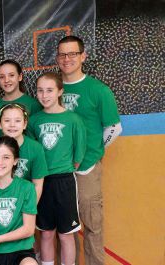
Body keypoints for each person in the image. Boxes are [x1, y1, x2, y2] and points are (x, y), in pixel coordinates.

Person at [56, 35, 122, 265]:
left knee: (92, 226)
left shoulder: (98, 90)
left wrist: (94, 153)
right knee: (65, 228)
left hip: (86, 169)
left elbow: (114, 127)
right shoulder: (52, 88)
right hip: (60, 171)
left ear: (83, 56)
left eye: (72, 53)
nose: (67, 59)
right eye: (62, 54)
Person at [27, 72, 86, 265]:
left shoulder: (73, 119)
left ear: (60, 91)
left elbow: (78, 155)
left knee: (66, 235)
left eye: (50, 90)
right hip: (41, 181)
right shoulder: (34, 121)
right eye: (40, 91)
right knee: (45, 233)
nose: (44, 95)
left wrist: (64, 168)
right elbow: (32, 153)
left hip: (64, 181)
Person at [0, 136, 38, 265]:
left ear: (15, 161)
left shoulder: (27, 188)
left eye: (6, 157)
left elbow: (29, 229)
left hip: (21, 251)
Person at [0, 103, 48, 200]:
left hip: (24, 201)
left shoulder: (35, 148)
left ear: (25, 124)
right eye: (7, 120)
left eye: (17, 121)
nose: (12, 125)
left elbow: (37, 184)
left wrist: (29, 209)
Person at [0, 59, 42, 140]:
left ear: (20, 77)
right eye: (2, 77)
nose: (6, 80)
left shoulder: (33, 105)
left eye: (11, 75)